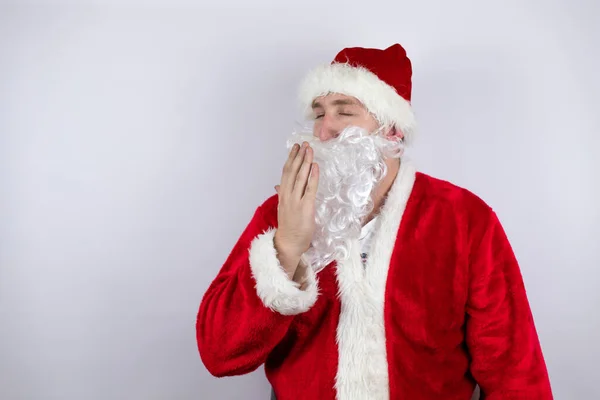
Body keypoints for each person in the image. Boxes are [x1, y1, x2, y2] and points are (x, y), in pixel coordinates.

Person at [196, 44, 553, 399]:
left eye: (345, 112)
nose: (323, 131)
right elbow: (220, 354)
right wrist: (287, 248)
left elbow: (514, 370)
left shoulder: (464, 219)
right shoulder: (279, 213)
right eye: (319, 114)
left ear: (392, 130)